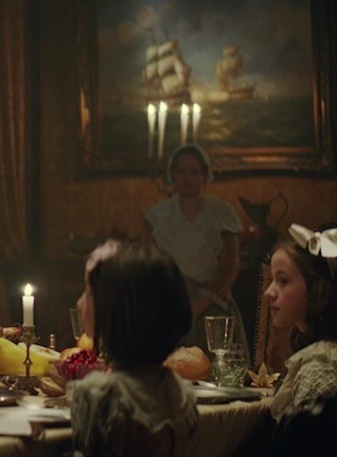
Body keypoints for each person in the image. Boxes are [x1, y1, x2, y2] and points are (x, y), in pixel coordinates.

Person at [73, 242, 198, 457]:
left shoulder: (102, 394)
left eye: (89, 294)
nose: (80, 303)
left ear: (114, 311)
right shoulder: (178, 391)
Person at [142, 144, 249, 358]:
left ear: (205, 175)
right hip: (170, 305)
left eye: (194, 171)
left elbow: (230, 268)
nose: (187, 178)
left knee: (216, 367)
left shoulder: (222, 213)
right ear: (172, 176)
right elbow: (151, 267)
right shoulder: (156, 217)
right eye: (181, 172)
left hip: (213, 305)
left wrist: (198, 306)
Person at [264, 222, 337, 454]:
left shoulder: (320, 366)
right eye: (272, 280)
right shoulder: (313, 353)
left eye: (283, 281)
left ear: (318, 290)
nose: (269, 292)